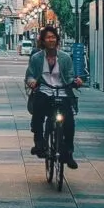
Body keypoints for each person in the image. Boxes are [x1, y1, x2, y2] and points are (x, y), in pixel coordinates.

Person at [25, 25, 83, 168]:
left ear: (57, 39)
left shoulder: (65, 57)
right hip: (44, 90)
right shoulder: (37, 58)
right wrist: (32, 82)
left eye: (53, 37)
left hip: (62, 91)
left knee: (69, 122)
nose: (51, 40)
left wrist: (76, 82)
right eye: (47, 37)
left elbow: (70, 75)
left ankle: (68, 153)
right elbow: (30, 75)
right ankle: (39, 143)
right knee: (38, 114)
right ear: (43, 41)